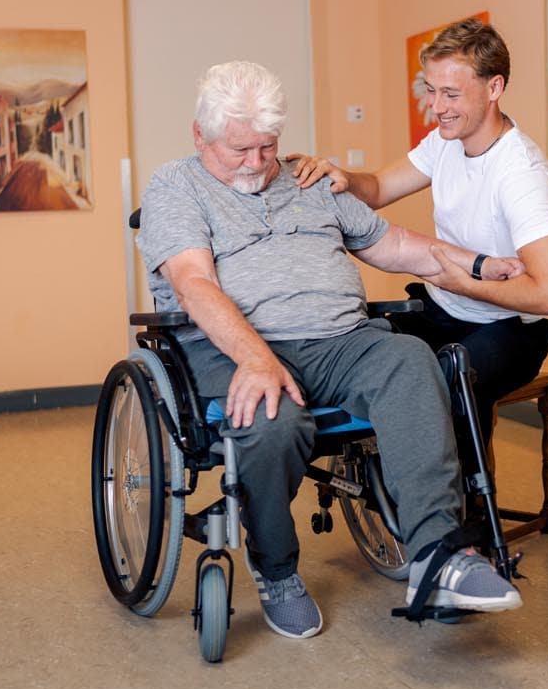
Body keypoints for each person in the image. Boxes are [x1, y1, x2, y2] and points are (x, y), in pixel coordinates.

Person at [136, 60, 524, 641]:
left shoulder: (307, 179)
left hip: (341, 339)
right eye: (240, 150)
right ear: (200, 136)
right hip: (235, 347)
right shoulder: (175, 186)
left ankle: (437, 556)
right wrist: (257, 359)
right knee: (271, 422)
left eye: (267, 148)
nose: (256, 164)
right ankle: (277, 570)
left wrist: (477, 264)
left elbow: (392, 245)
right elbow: (195, 284)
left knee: (412, 361)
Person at [288, 18, 548, 447]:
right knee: (357, 351)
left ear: (494, 88)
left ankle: (463, 508)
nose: (437, 106)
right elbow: (382, 187)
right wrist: (341, 175)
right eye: (431, 90)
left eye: (451, 94)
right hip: (442, 311)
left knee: (445, 384)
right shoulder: (445, 140)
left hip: (506, 329)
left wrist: (469, 285)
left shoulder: (520, 174)